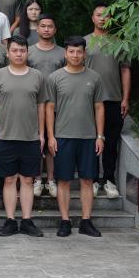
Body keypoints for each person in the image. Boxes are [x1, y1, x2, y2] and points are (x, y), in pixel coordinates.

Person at [47, 36, 105, 238]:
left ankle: (86, 221)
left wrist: (100, 136)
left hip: (88, 137)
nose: (75, 55)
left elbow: (99, 107)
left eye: (79, 51)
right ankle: (65, 221)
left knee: (87, 180)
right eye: (71, 51)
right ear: (65, 53)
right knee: (63, 180)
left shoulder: (95, 78)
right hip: (63, 136)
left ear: (84, 54)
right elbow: (49, 108)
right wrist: (51, 136)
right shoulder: (54, 78)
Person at [0, 36, 48, 237]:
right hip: (5, 136)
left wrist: (41, 134)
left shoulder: (37, 76)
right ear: (7, 53)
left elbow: (41, 105)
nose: (18, 54)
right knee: (8, 180)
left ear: (27, 53)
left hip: (30, 137)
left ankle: (27, 220)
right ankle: (10, 220)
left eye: (22, 50)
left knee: (27, 180)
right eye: (14, 50)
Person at [85, 4, 130, 200]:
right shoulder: (84, 42)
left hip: (113, 98)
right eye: (98, 15)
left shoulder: (119, 42)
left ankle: (109, 180)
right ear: (92, 18)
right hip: (89, 100)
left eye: (106, 15)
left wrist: (125, 98)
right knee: (90, 142)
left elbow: (125, 70)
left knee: (111, 142)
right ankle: (93, 180)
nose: (102, 18)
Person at [28, 14, 66, 197]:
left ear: (55, 30)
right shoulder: (28, 51)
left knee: (52, 142)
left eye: (50, 26)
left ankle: (50, 179)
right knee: (36, 142)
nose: (46, 29)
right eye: (42, 26)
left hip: (56, 104)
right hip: (33, 104)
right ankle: (36, 179)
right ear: (37, 28)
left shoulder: (63, 52)